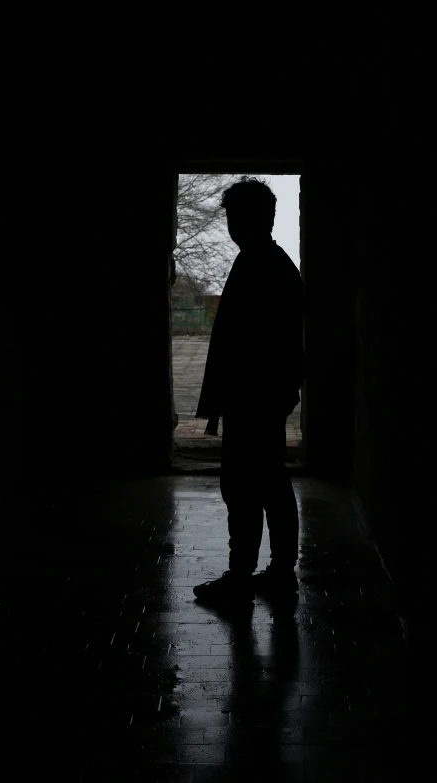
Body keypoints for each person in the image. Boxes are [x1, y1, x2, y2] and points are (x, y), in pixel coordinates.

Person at [193, 176, 304, 606]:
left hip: (254, 398)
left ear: (258, 218)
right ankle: (275, 572)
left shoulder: (262, 266)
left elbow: (249, 345)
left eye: (236, 217)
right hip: (260, 397)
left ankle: (246, 574)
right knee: (266, 483)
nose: (231, 226)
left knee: (247, 487)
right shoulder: (268, 264)